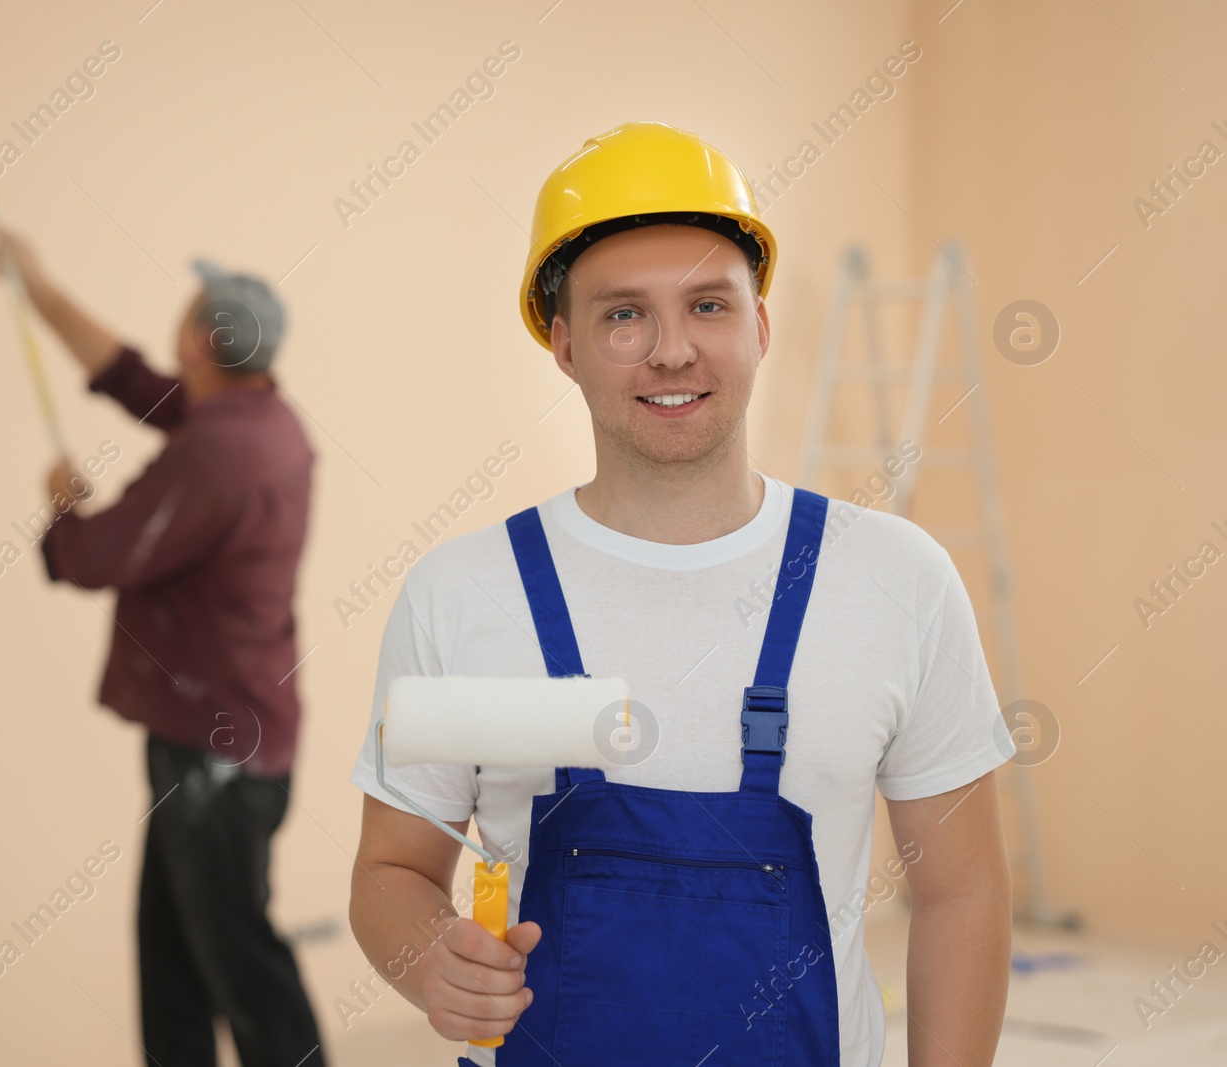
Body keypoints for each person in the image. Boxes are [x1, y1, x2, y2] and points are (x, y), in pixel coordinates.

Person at [347, 122, 1013, 1066]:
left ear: (761, 327)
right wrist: (427, 960)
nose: (670, 352)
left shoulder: (897, 581)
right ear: (565, 345)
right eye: (624, 315)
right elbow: (392, 868)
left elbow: (962, 892)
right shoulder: (461, 596)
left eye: (708, 304)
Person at [0, 227, 326, 1067]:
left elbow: (97, 557)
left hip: (215, 755)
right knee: (172, 962)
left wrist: (66, 507)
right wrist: (39, 286)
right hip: (227, 740)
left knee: (243, 972)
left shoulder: (217, 454)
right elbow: (133, 381)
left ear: (201, 340)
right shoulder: (261, 418)